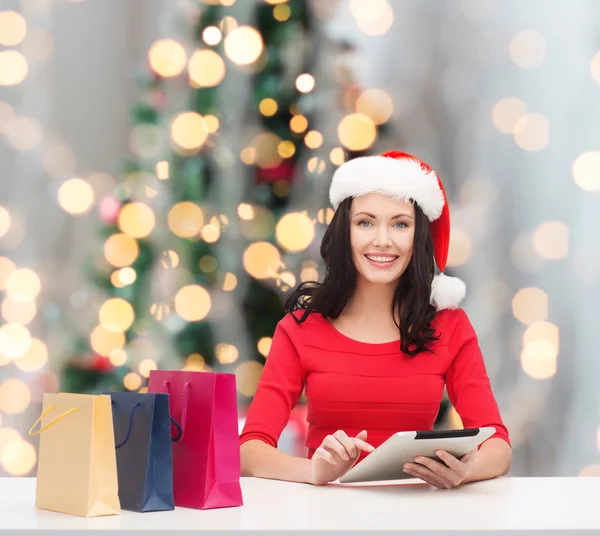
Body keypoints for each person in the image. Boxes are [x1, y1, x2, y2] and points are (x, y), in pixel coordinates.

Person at [240, 151, 512, 488]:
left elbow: (498, 446)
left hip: (415, 514)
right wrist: (316, 473)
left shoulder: (450, 325)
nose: (382, 240)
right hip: (324, 515)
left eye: (400, 224)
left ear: (418, 235)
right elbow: (249, 451)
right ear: (345, 231)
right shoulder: (300, 329)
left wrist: (466, 471)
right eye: (365, 222)